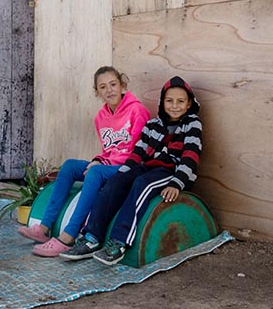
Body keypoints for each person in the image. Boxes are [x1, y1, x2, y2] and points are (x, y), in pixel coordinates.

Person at [67, 75, 202, 266]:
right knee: (116, 182)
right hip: (148, 168)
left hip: (173, 171)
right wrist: (121, 175)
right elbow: (137, 153)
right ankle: (92, 237)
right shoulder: (153, 125)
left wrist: (177, 183)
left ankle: (119, 241)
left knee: (142, 184)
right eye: (169, 101)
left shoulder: (192, 124)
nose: (174, 106)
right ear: (162, 102)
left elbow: (190, 156)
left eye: (180, 101)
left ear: (189, 104)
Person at [17, 66, 150, 258]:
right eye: (103, 87)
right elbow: (108, 151)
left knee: (95, 173)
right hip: (109, 164)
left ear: (122, 85)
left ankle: (68, 237)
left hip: (130, 167)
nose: (109, 90)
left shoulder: (137, 111)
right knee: (70, 166)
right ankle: (44, 227)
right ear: (97, 92)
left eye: (113, 84)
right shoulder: (100, 118)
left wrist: (101, 164)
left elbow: (137, 152)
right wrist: (99, 160)